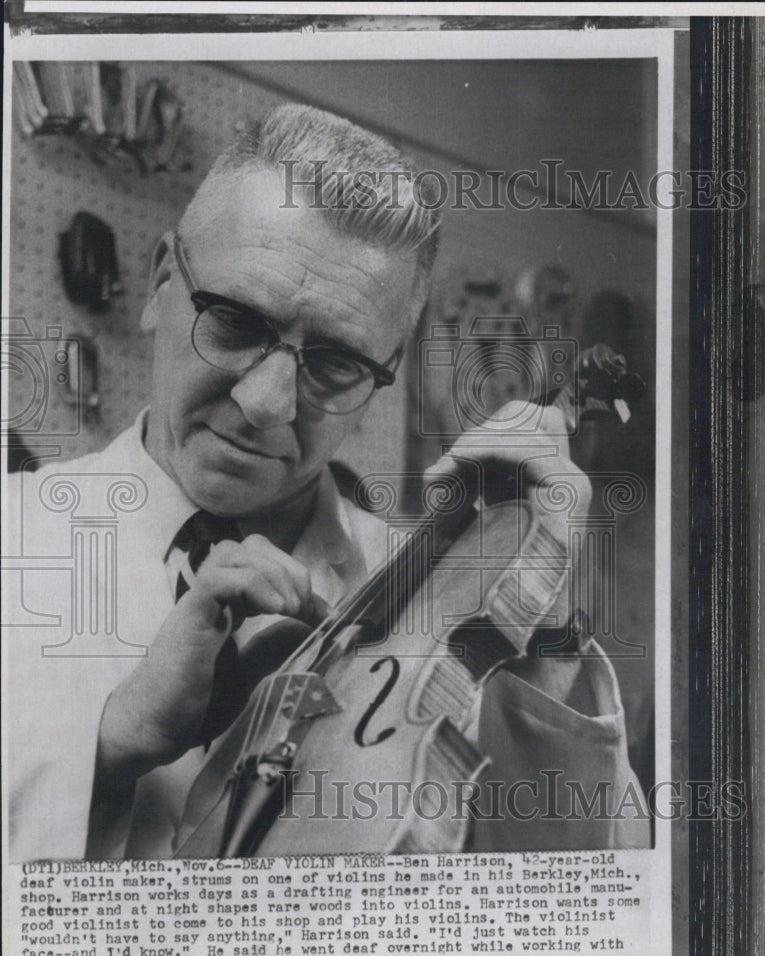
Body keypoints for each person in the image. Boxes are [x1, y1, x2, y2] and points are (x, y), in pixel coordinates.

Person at [6, 104, 649, 860]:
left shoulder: (436, 601)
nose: (264, 405)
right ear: (156, 284)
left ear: (382, 378)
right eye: (235, 323)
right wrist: (114, 747)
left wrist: (543, 648)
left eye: (336, 363)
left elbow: (586, 903)